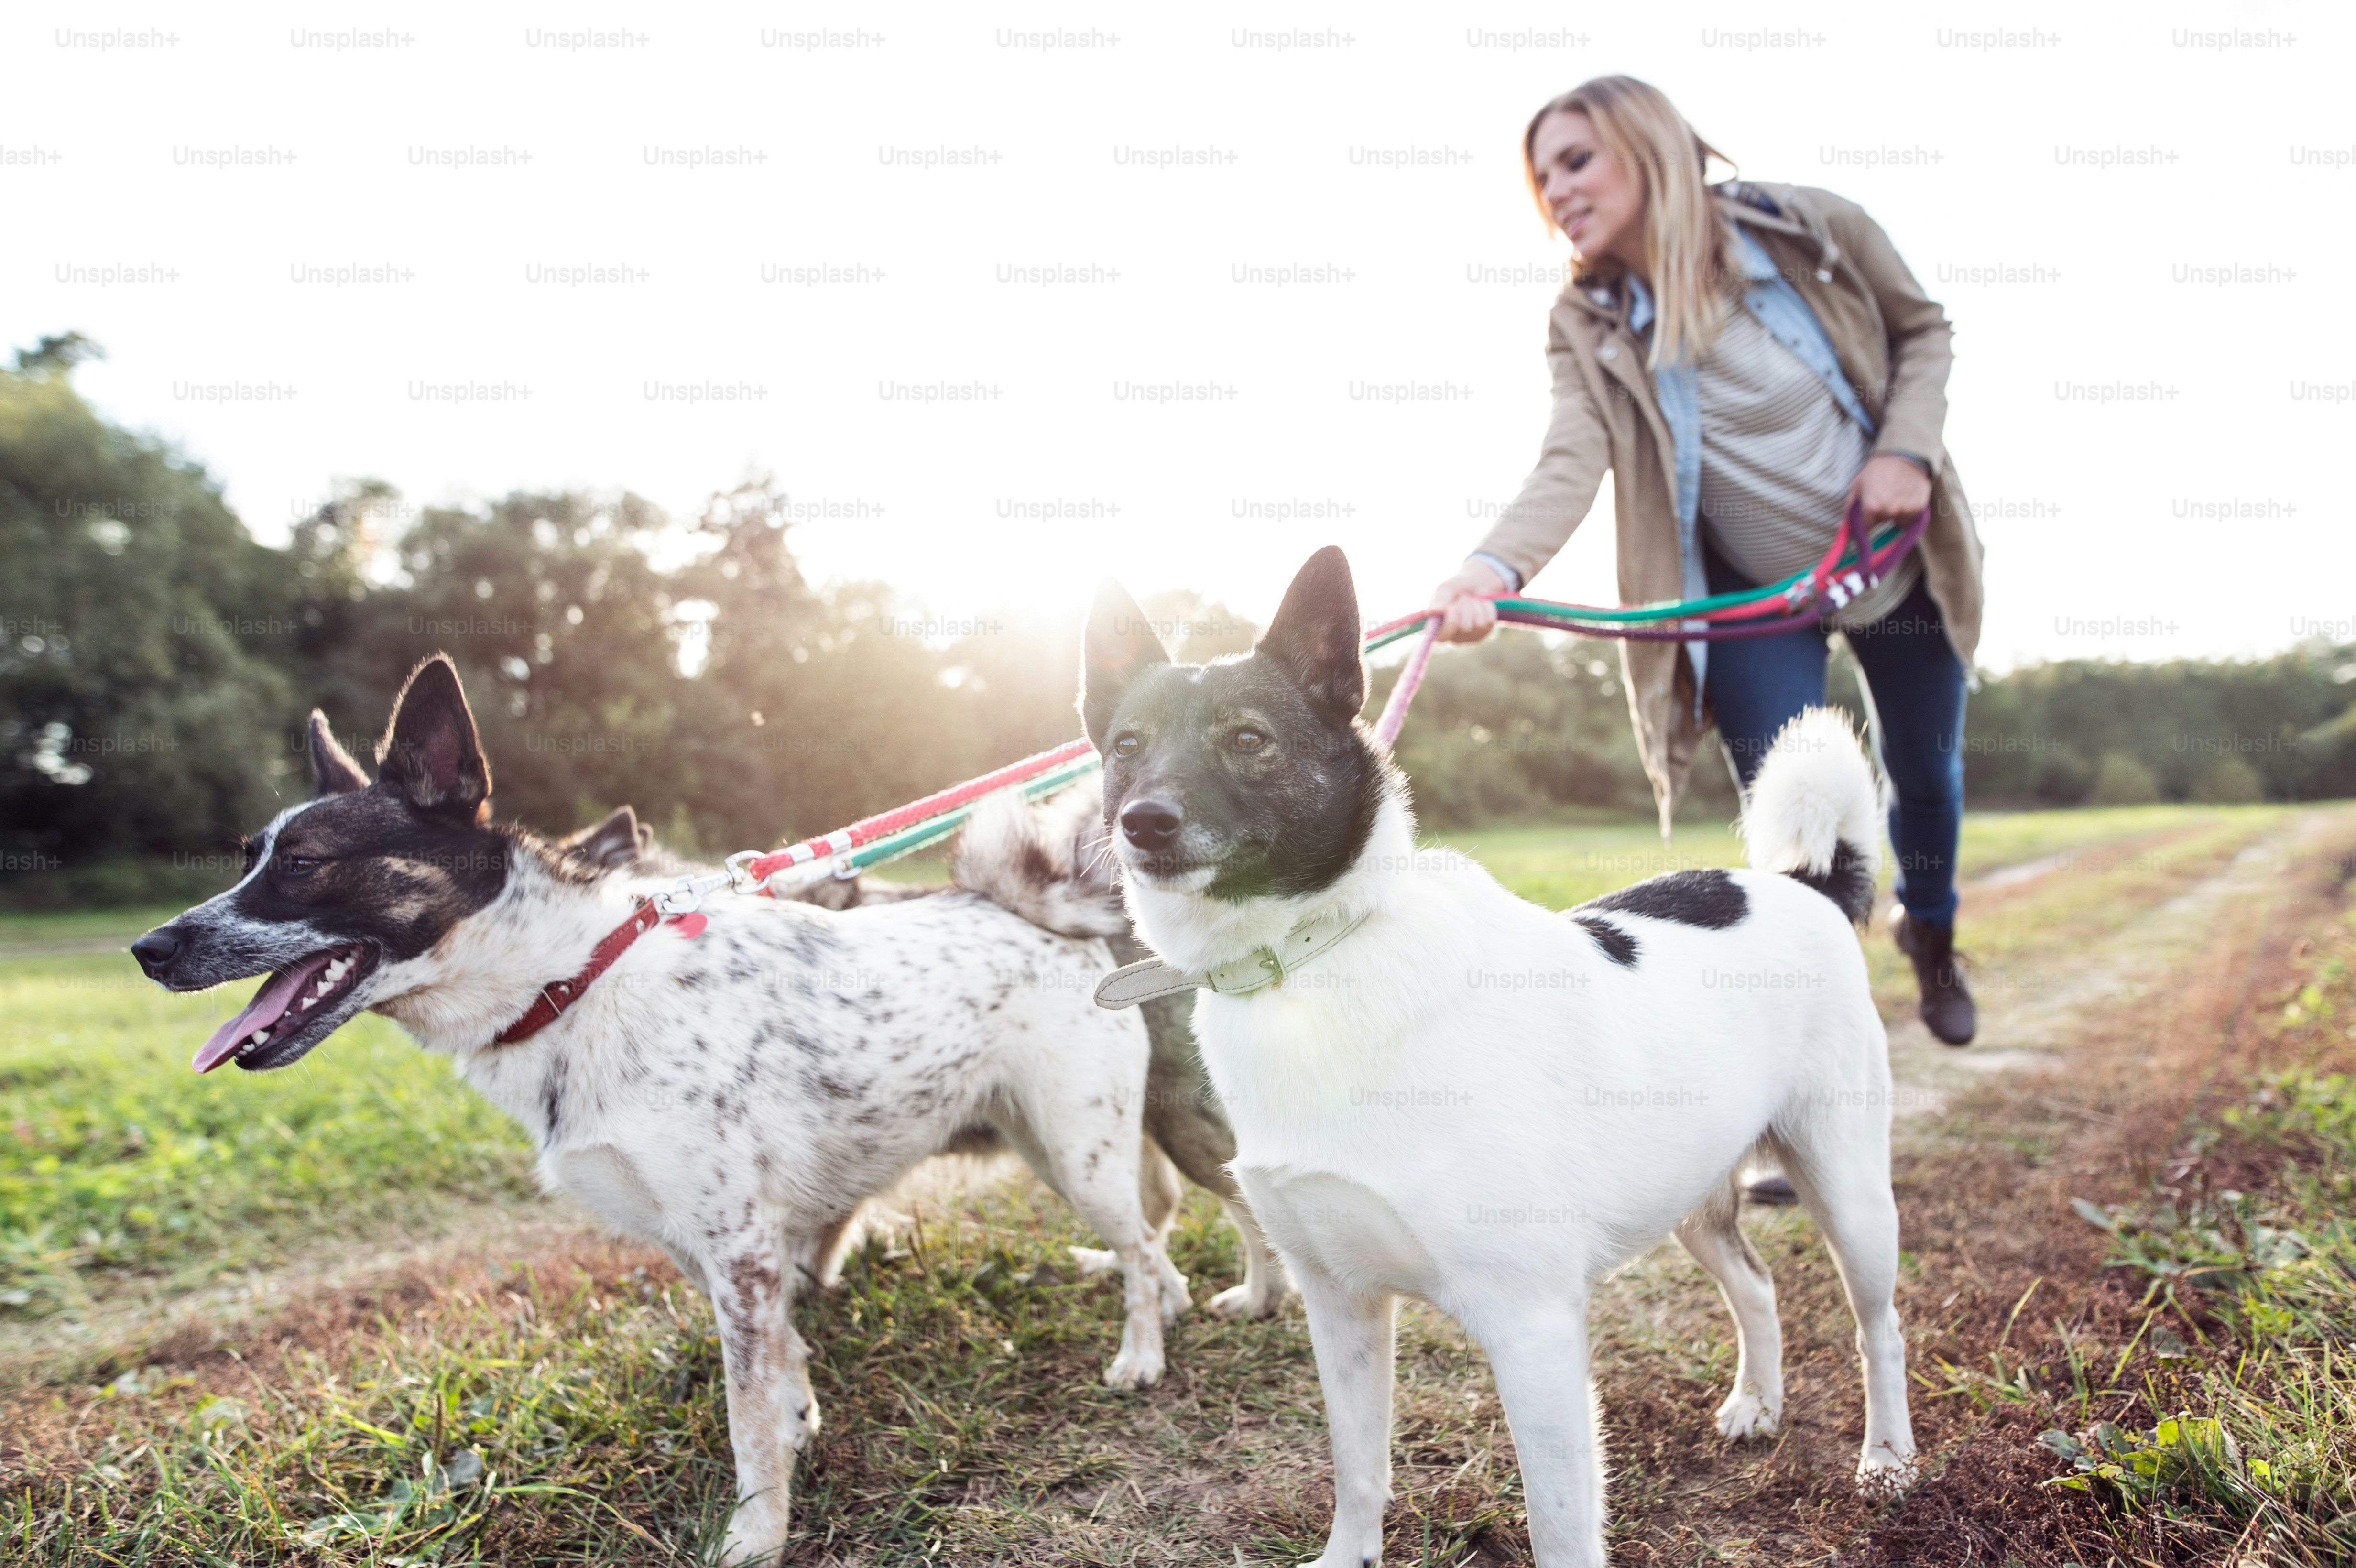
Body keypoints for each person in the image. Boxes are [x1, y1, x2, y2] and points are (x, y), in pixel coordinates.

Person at [1429, 75, 1986, 1081]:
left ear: (1644, 148)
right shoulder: (1587, 322)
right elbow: (1569, 456)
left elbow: (1923, 328)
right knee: (1793, 829)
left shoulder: (1814, 229)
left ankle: (1932, 936)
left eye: (1574, 160)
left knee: (1926, 779)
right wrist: (1486, 568)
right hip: (1749, 599)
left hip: (1892, 567)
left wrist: (1906, 449)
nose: (1554, 190)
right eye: (1540, 176)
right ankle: (1797, 1073)